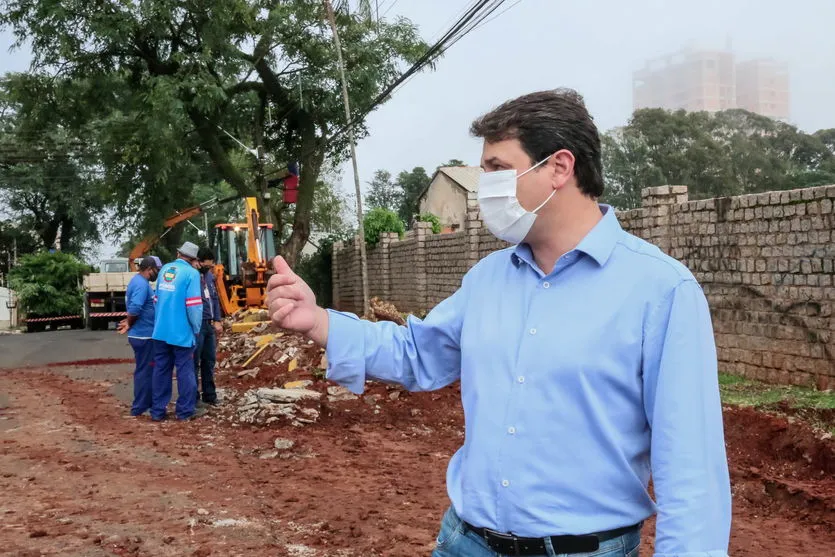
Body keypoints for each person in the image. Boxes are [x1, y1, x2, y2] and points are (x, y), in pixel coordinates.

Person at [266, 89, 731, 557]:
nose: (484, 183)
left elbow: (692, 471)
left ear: (559, 168)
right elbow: (417, 354)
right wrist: (320, 320)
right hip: (465, 542)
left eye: (496, 168)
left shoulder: (661, 290)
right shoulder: (487, 279)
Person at [150, 242, 205, 421]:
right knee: (185, 371)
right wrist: (196, 329)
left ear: (178, 253)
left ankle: (158, 411)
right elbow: (194, 306)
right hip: (181, 332)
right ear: (194, 260)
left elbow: (156, 300)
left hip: (160, 331)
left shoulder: (165, 269)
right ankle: (184, 412)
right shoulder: (192, 274)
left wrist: (159, 323)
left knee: (161, 371)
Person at [118, 255, 162, 417]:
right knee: (145, 371)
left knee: (146, 370)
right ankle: (139, 406)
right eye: (156, 270)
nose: (157, 273)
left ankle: (145, 403)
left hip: (143, 334)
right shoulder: (142, 285)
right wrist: (130, 323)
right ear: (149, 269)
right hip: (144, 336)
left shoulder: (139, 282)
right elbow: (135, 308)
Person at [194, 246, 223, 406]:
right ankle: (194, 396)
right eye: (208, 265)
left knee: (209, 361)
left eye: (212, 266)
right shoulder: (192, 278)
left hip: (209, 326)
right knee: (194, 362)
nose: (210, 268)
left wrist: (217, 319)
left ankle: (209, 395)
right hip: (197, 326)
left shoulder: (210, 277)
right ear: (198, 262)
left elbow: (215, 299)